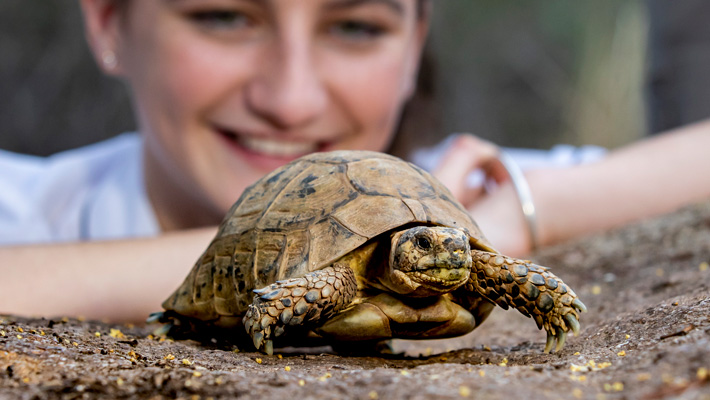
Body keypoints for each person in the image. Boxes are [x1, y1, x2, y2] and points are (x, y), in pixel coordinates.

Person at [1, 0, 709, 323]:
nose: (291, 99)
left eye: (355, 27)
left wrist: (523, 212)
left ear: (413, 49)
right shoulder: (23, 204)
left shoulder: (461, 183)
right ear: (106, 22)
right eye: (223, 16)